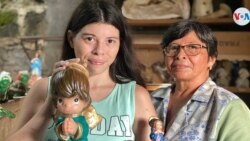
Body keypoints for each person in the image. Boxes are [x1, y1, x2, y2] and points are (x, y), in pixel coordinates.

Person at [6, 0, 156, 141]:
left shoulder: (135, 96)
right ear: (71, 39)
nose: (99, 50)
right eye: (90, 39)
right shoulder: (43, 89)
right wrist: (52, 100)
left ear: (120, 44)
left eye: (110, 41)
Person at [150, 20, 250, 141]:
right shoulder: (152, 99)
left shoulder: (230, 107)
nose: (180, 55)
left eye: (192, 47)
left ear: (211, 60)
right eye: (173, 47)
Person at [51, 63, 102, 141]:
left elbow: (84, 131)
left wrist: (75, 129)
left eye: (76, 100)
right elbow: (57, 130)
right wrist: (62, 129)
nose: (67, 105)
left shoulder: (81, 119)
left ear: (85, 101)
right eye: (60, 100)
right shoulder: (61, 118)